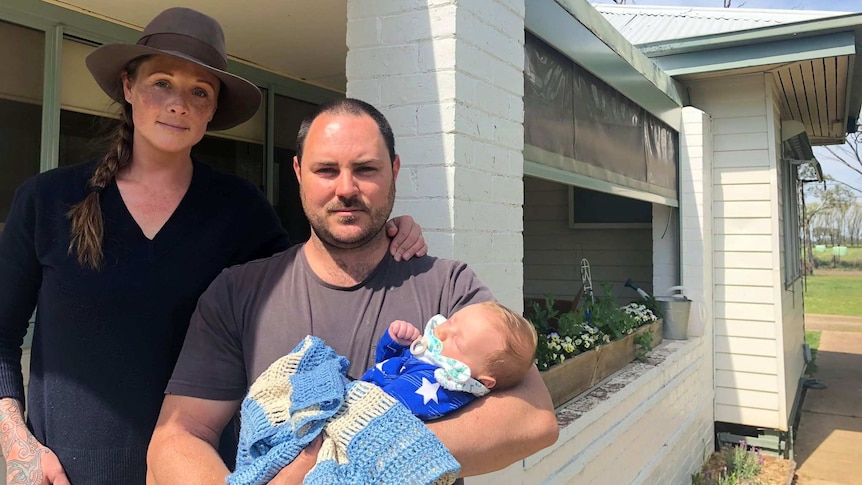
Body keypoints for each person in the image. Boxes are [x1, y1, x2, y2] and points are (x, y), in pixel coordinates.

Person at [0, 8, 425, 485]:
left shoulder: (239, 211)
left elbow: (309, 280)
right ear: (128, 87)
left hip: (200, 473)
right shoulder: (48, 200)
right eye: (161, 82)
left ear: (212, 109)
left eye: (199, 91)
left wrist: (377, 229)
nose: (178, 103)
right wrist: (19, 448)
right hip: (66, 477)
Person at [147, 97, 559, 485]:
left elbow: (534, 420)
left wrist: (342, 460)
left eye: (365, 169)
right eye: (326, 170)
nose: (346, 188)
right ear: (297, 173)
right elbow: (179, 434)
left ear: (394, 170)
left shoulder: (448, 288)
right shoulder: (238, 293)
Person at [361, 302, 538, 420]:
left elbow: (386, 405)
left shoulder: (441, 388)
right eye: (451, 321)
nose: (443, 332)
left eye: (457, 341)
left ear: (483, 380)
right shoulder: (431, 357)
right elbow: (384, 370)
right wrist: (394, 343)